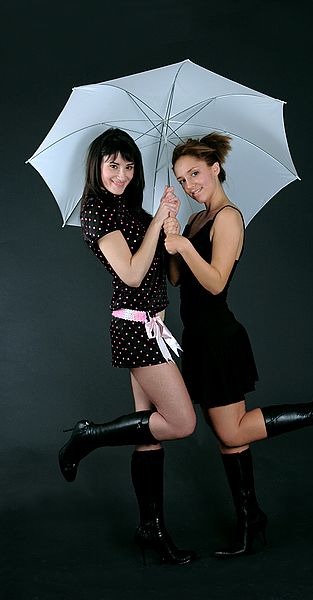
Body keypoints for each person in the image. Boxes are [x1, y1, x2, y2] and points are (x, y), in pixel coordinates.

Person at [163, 133, 313, 558]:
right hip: (197, 339)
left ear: (216, 167)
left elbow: (216, 282)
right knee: (230, 440)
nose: (189, 185)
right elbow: (178, 280)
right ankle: (250, 520)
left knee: (231, 430)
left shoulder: (228, 218)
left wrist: (183, 245)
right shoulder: (195, 220)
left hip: (219, 338)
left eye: (195, 174)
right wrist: (171, 234)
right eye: (182, 180)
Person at [58, 128, 197, 566]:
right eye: (112, 164)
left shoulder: (130, 210)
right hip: (134, 328)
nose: (121, 173)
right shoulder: (97, 211)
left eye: (128, 165)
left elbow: (163, 272)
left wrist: (169, 226)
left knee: (148, 435)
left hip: (152, 324)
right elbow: (132, 275)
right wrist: (157, 221)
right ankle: (90, 435)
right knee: (181, 421)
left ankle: (151, 529)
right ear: (98, 167)